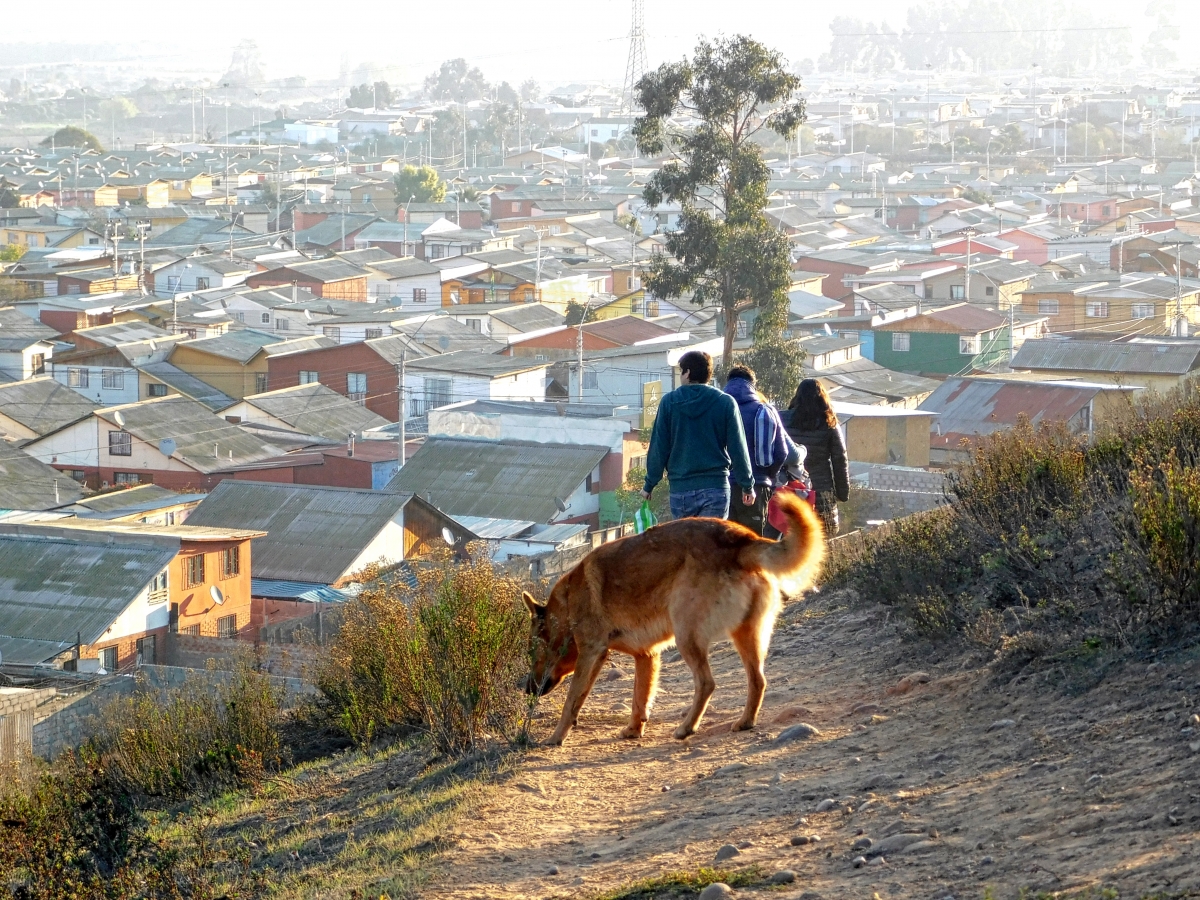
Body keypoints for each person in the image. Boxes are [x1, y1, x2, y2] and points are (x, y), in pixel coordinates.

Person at [641, 350, 754, 520]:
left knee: (686, 546)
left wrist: (649, 484)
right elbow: (738, 448)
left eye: (681, 371)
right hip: (716, 488)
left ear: (688, 373)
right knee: (712, 545)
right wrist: (747, 485)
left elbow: (659, 447)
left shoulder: (669, 402)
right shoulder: (725, 402)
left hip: (681, 490)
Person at [722, 365, 796, 536]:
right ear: (752, 385)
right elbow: (782, 452)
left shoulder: (718, 409)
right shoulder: (766, 410)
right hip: (757, 487)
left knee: (724, 544)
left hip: (722, 486)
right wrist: (768, 476)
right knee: (752, 543)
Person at [780, 378, 849, 535]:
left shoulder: (781, 419)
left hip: (790, 487)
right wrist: (842, 493)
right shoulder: (829, 423)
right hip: (820, 491)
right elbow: (840, 460)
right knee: (821, 539)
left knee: (790, 536)